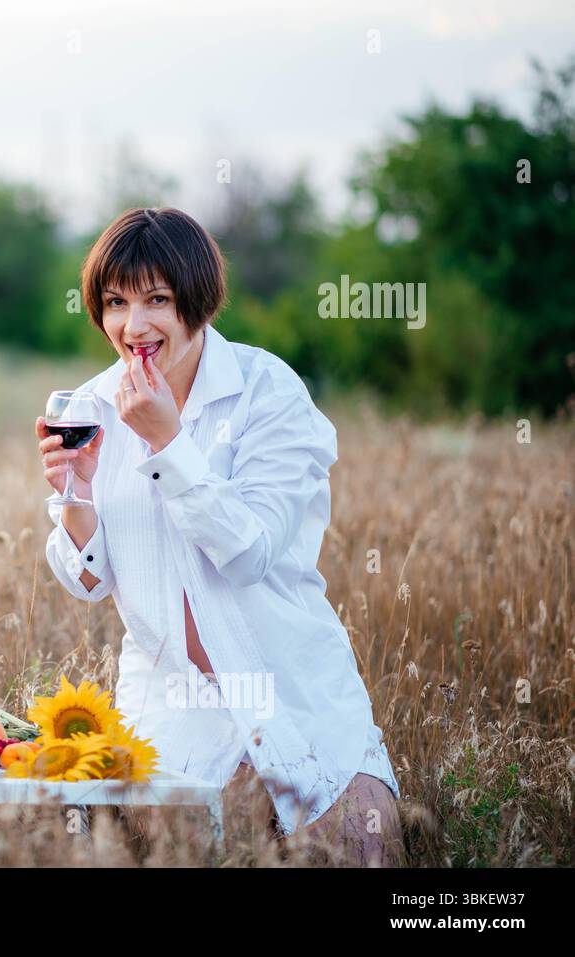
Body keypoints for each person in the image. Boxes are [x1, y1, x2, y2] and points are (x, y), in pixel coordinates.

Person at [38, 207, 403, 866]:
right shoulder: (90, 405)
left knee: (364, 849)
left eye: (157, 299)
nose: (134, 324)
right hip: (173, 716)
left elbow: (249, 553)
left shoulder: (270, 395)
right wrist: (76, 493)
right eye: (116, 302)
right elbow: (88, 581)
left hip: (295, 695)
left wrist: (166, 440)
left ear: (198, 303)